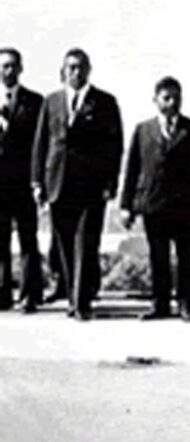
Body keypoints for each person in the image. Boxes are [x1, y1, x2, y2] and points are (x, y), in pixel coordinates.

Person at [31, 48, 123, 321]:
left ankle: (82, 302)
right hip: (58, 184)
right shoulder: (51, 102)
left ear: (89, 70)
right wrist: (37, 181)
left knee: (85, 243)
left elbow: (114, 147)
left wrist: (110, 181)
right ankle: (73, 297)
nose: (76, 72)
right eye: (71, 67)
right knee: (64, 244)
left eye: (81, 67)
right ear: (63, 71)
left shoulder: (105, 102)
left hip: (91, 186)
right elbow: (41, 143)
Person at [120, 77, 190, 322]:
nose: (172, 103)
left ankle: (187, 304)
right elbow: (132, 170)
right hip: (154, 204)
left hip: (186, 205)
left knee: (186, 256)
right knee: (158, 256)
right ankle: (160, 304)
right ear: (155, 100)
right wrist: (126, 206)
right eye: (166, 98)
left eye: (176, 98)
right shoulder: (143, 130)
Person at [0, 47, 44, 313]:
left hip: (23, 182)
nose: (8, 70)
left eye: (13, 65)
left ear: (21, 68)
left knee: (28, 239)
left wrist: (38, 181)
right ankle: (2, 293)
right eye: (4, 65)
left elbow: (40, 144)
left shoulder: (35, 102)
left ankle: (30, 294)